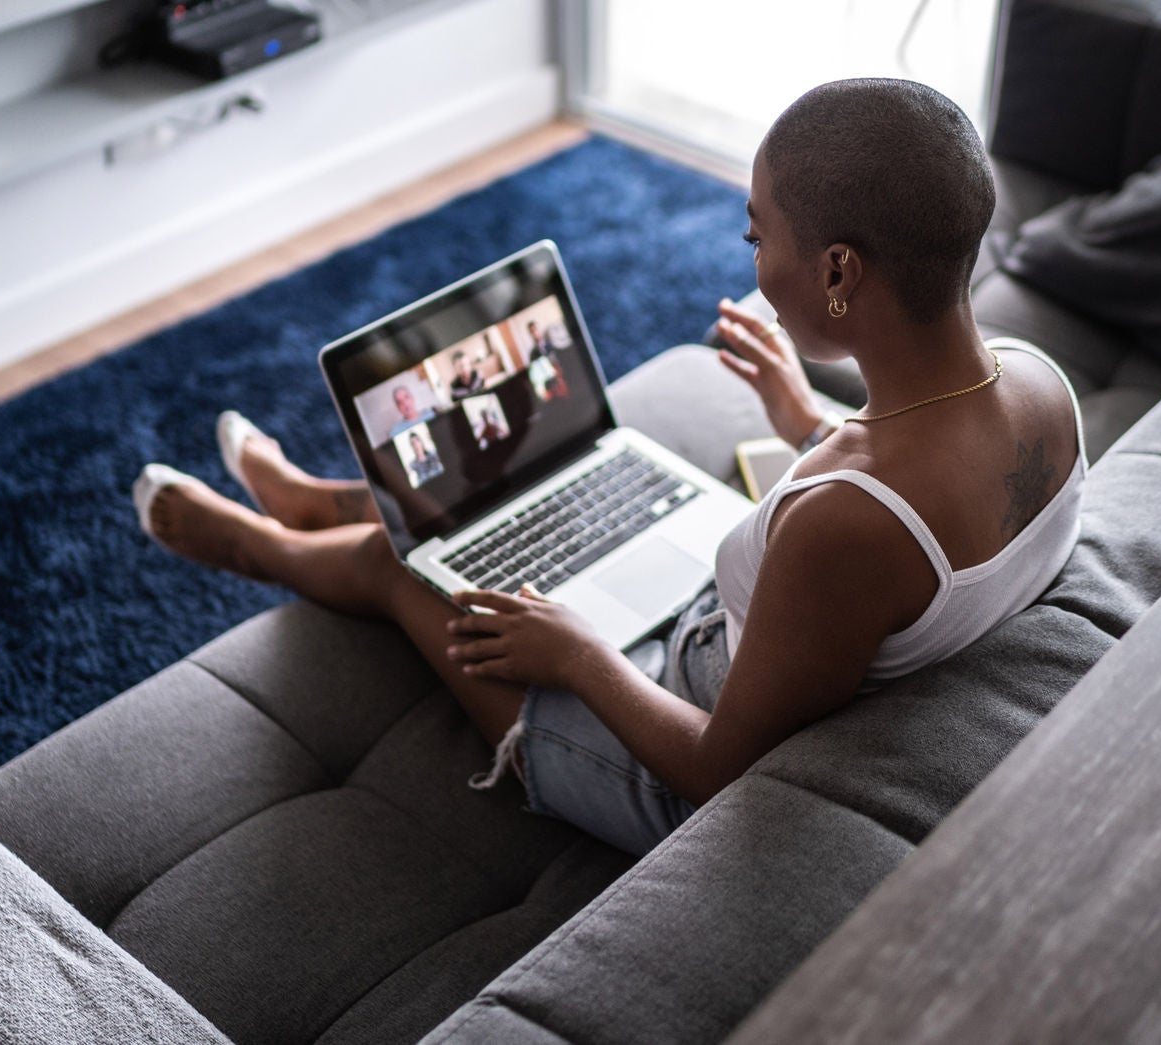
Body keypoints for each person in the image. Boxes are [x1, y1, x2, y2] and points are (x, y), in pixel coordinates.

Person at [132, 78, 1085, 857]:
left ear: (838, 273)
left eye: (758, 236)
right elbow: (923, 495)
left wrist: (577, 651)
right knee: (482, 501)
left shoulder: (846, 523)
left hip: (673, 762)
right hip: (770, 641)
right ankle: (312, 497)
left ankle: (261, 545)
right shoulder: (1044, 390)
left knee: (408, 565)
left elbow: (715, 771)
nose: (752, 256)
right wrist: (802, 414)